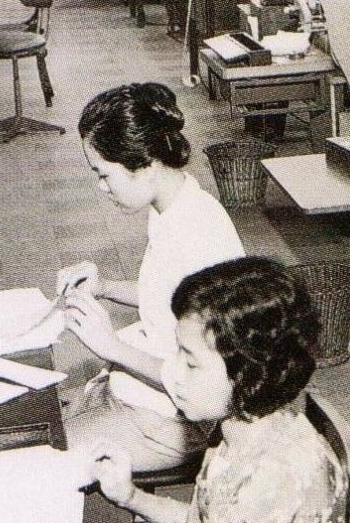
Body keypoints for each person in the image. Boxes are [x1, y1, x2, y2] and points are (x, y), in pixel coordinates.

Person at [90, 256, 348, 523]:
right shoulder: (243, 429)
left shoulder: (270, 477)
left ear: (246, 373)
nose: (174, 372)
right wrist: (131, 497)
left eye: (190, 361)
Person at [58, 82, 245, 472]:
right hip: (150, 397)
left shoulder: (196, 236)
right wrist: (105, 288)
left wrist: (111, 347)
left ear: (144, 165)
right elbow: (167, 298)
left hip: (178, 422)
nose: (101, 187)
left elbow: (206, 384)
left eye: (105, 175)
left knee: (40, 460)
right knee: (39, 422)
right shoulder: (174, 206)